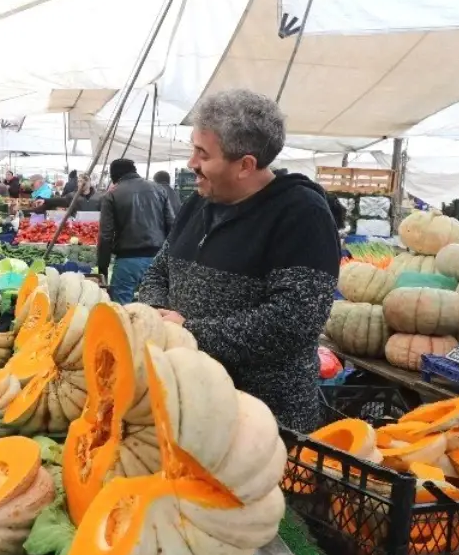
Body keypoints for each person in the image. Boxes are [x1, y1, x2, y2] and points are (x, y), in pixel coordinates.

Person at [135, 89, 340, 431]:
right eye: (193, 149)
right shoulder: (198, 203)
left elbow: (293, 321)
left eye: (202, 153)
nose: (191, 164)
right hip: (190, 404)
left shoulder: (302, 214)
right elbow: (160, 270)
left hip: (261, 420)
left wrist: (190, 332)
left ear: (245, 165)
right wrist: (155, 315)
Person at [98, 158, 175, 303]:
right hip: (157, 258)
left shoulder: (112, 195)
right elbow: (172, 226)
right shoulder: (159, 189)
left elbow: (105, 236)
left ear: (114, 176)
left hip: (128, 261)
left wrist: (102, 269)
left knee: (121, 309)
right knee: (155, 307)